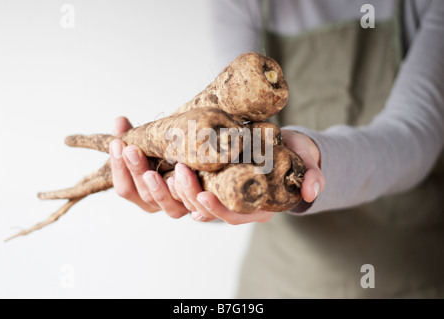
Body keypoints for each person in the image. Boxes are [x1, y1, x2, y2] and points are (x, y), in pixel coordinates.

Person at [109, 0, 444, 298]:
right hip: (278, 280)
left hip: (405, 273)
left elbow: (414, 135)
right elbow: (233, 133)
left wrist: (312, 155)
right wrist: (200, 192)